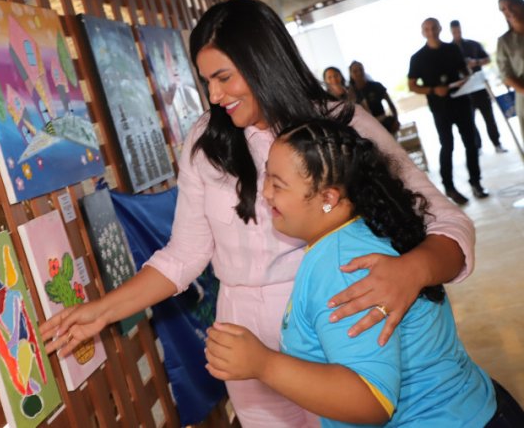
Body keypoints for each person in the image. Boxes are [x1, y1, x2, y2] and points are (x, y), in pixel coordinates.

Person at [41, 0, 475, 428]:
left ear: (263, 62)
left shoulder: (342, 126)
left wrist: (412, 271)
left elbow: (445, 222)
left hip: (337, 318)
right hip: (244, 335)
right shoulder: (204, 142)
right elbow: (184, 254)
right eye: (205, 80)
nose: (213, 94)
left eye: (224, 77)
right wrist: (102, 311)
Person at [204, 119, 523, 427]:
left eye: (278, 184)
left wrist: (264, 364)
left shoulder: (344, 265)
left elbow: (371, 400)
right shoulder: (357, 233)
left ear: (329, 198)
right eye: (267, 179)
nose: (267, 194)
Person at [408, 18, 489, 205]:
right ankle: (449, 187)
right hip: (440, 108)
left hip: (462, 102)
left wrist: (464, 80)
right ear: (423, 32)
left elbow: (464, 72)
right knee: (447, 146)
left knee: (471, 143)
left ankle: (476, 182)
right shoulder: (418, 57)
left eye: (433, 27)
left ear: (439, 29)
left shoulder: (452, 49)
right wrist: (433, 90)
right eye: (426, 28)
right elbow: (412, 85)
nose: (431, 31)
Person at [449, 19, 507, 153]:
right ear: (451, 32)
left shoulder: (473, 44)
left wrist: (476, 62)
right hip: (464, 92)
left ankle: (497, 143)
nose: (457, 34)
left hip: (481, 88)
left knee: (489, 118)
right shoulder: (449, 50)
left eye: (458, 31)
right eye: (454, 32)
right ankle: (477, 146)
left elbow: (487, 59)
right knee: (470, 121)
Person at [497, 0, 524, 140]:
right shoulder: (504, 42)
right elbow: (506, 76)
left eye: (512, 5)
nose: (509, 11)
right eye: (504, 9)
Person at [349, 60, 400, 134]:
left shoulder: (376, 86)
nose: (359, 73)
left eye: (361, 69)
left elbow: (390, 103)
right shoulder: (350, 93)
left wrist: (395, 120)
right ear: (351, 74)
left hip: (383, 124)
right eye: (355, 71)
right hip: (364, 129)